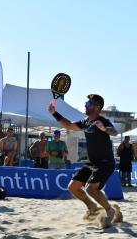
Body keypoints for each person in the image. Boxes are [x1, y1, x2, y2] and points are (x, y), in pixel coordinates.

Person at [48, 94, 118, 225]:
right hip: (92, 163)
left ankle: (110, 211)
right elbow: (69, 125)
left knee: (91, 189)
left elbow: (114, 132)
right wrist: (54, 113)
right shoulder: (86, 122)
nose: (85, 105)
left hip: (105, 163)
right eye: (86, 103)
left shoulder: (103, 121)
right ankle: (92, 207)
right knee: (72, 187)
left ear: (97, 107)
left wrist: (104, 128)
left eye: (88, 103)